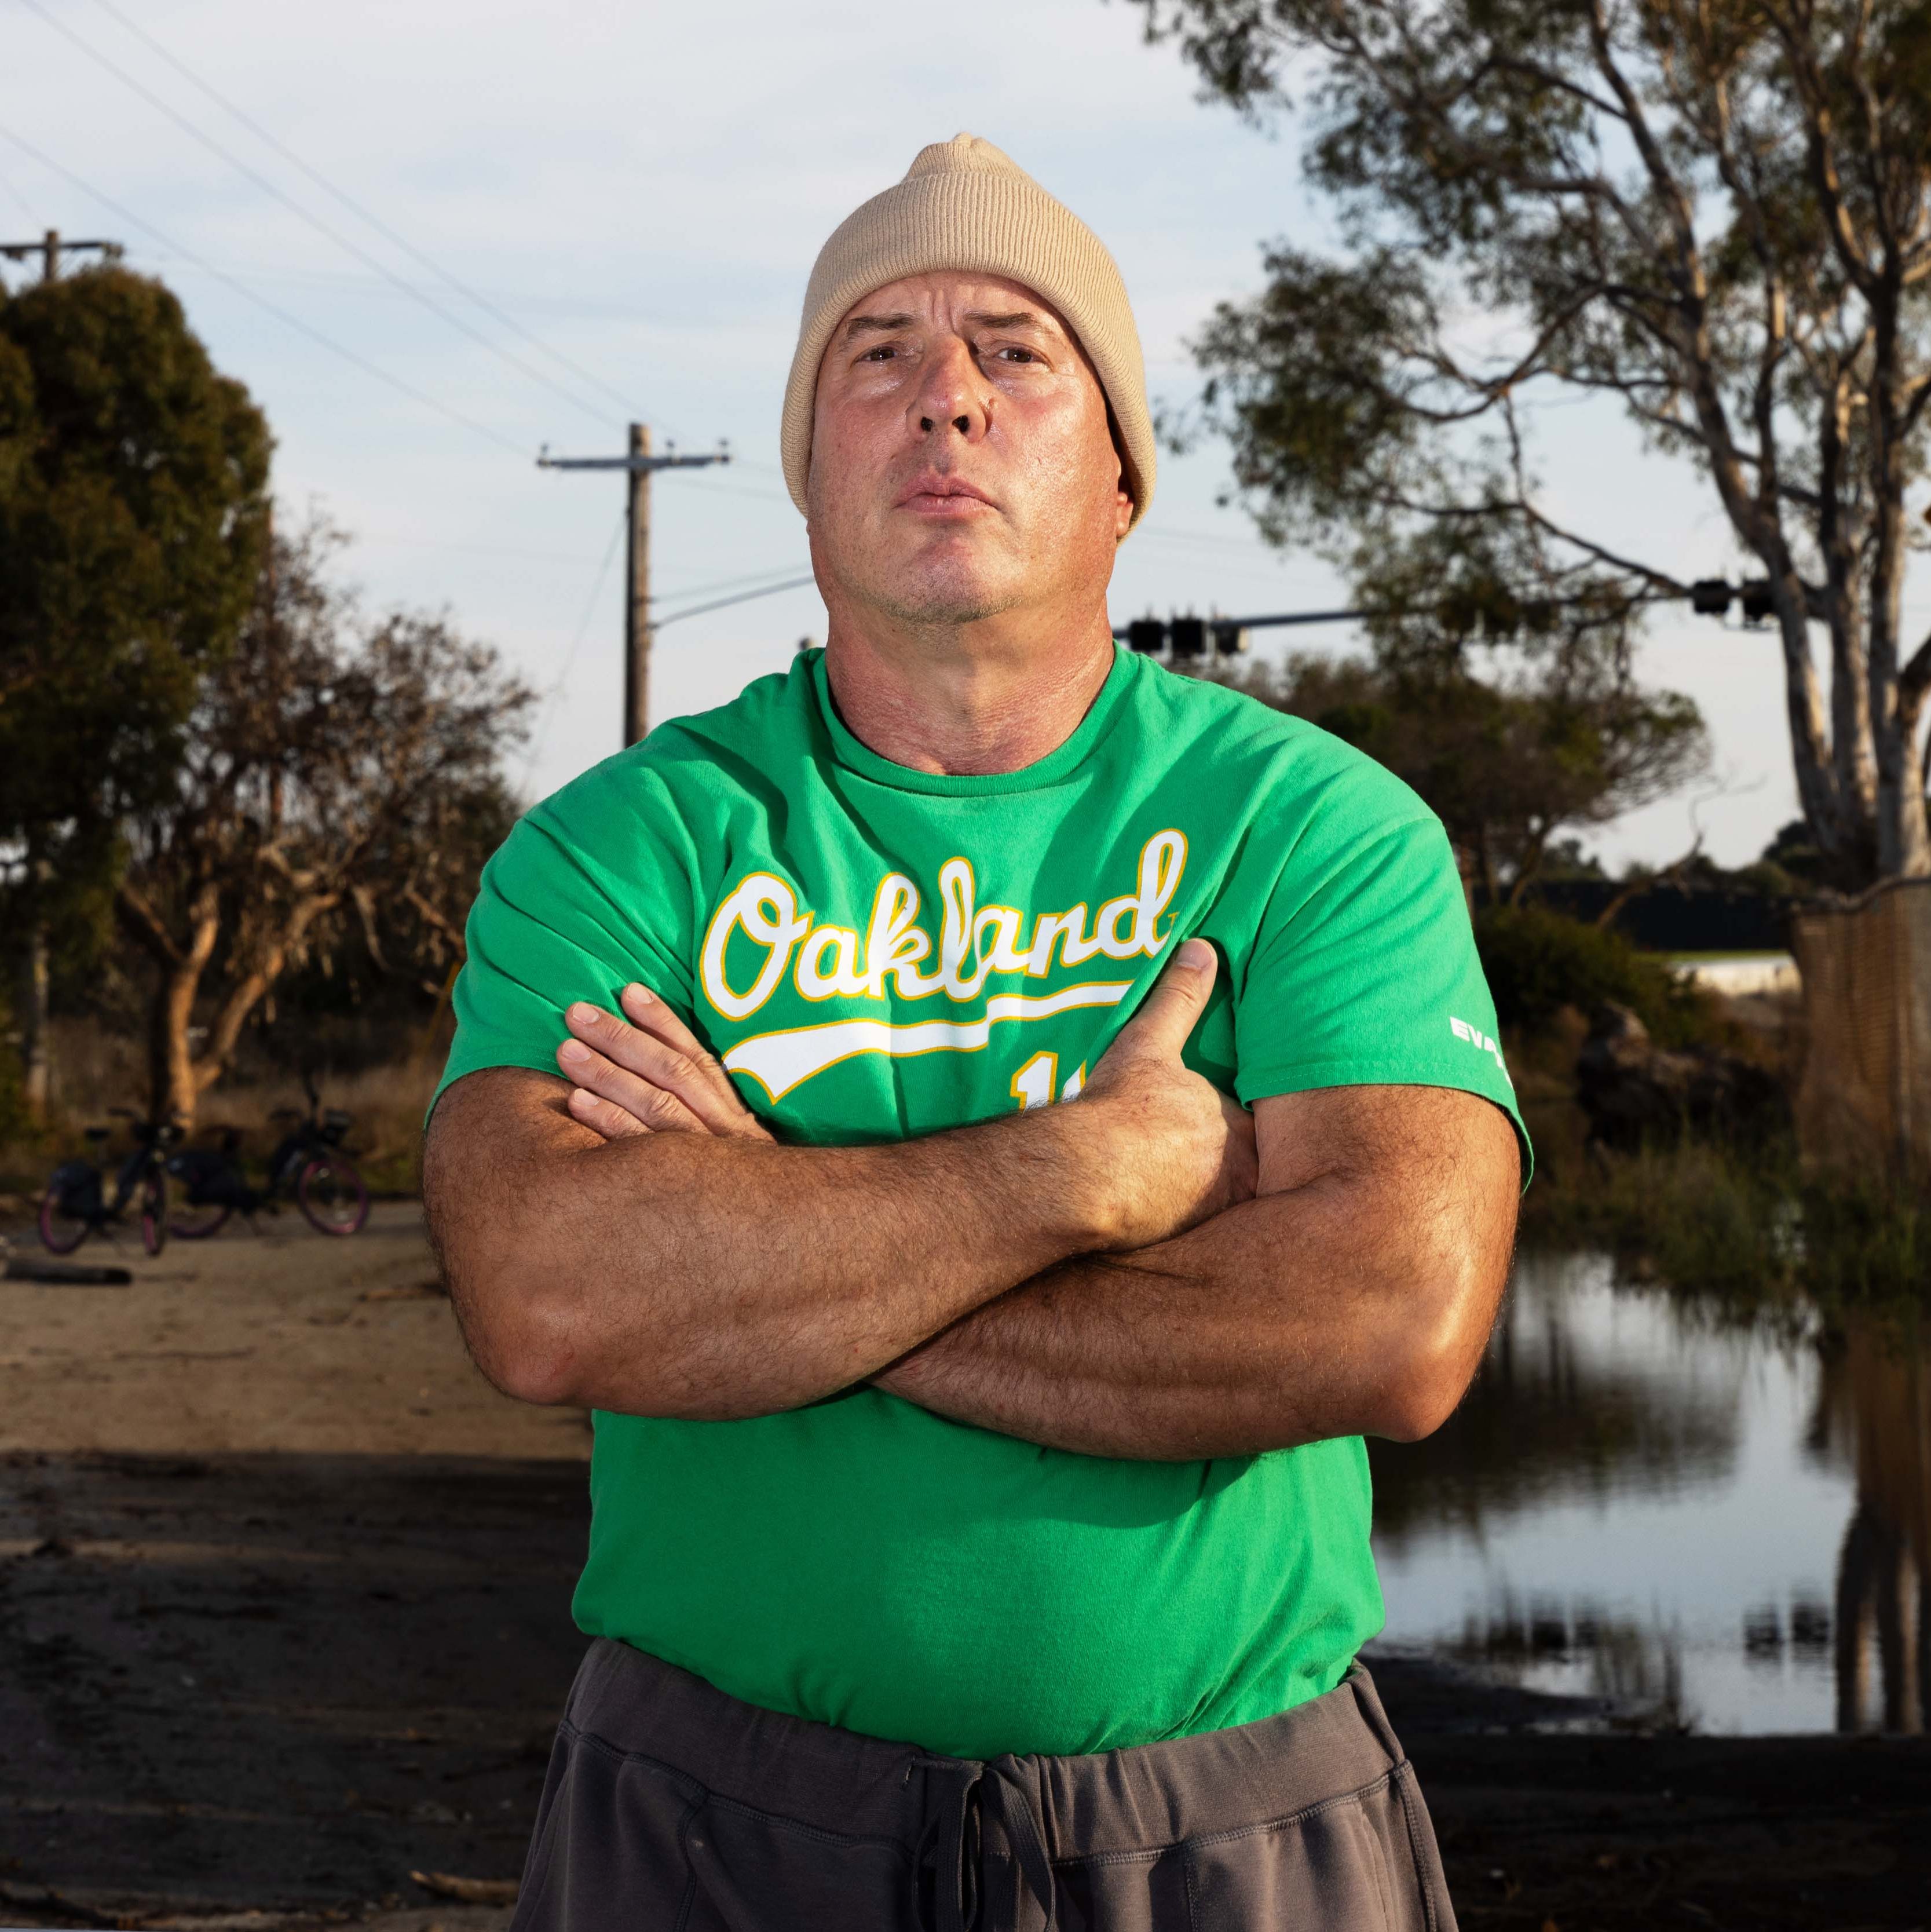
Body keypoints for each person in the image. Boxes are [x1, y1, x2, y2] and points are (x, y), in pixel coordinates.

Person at [423, 133, 1524, 1932]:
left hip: (1228, 1822)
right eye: (878, 354)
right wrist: (1080, 1175)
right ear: (806, 473)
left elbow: (1392, 1323)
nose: (945, 399)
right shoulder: (629, 842)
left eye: (1017, 351)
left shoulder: (1317, 829)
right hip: (707, 1818)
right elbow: (547, 1291)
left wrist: (767, 1231)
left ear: (1119, 475)